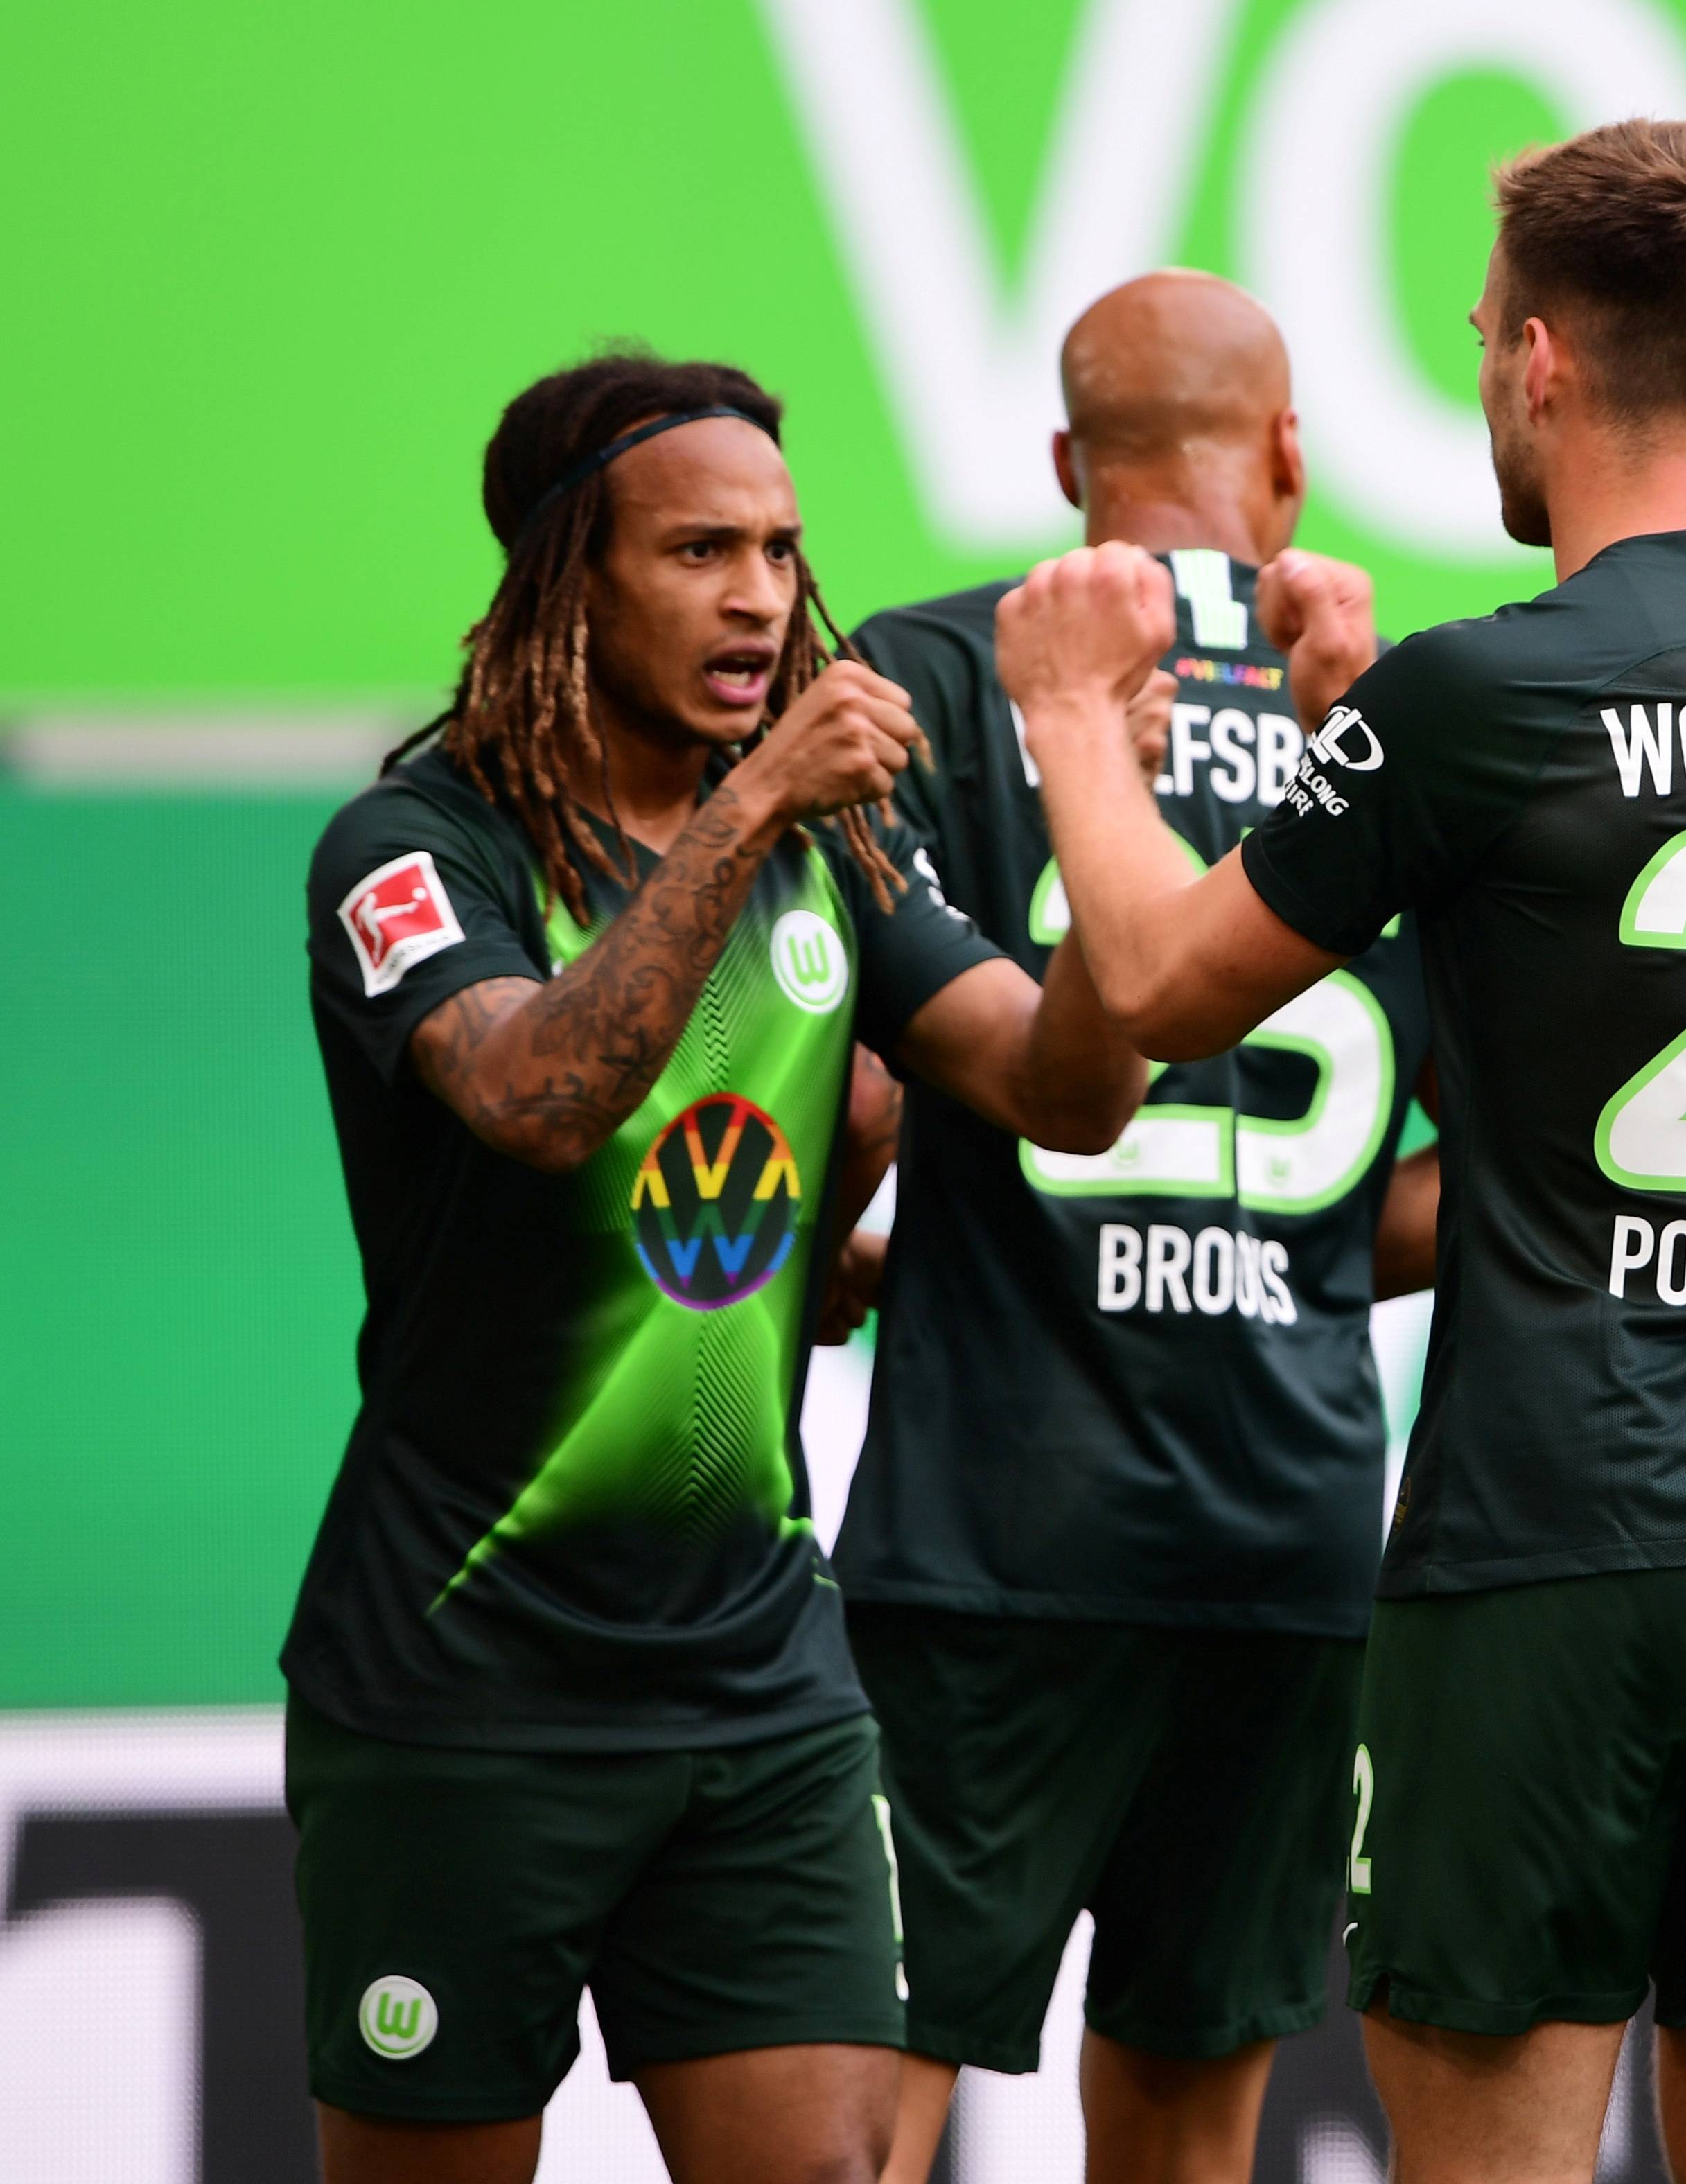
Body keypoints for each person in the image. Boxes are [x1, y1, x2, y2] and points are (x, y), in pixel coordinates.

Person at [995, 117, 1686, 2184]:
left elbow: (1161, 984)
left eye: (1475, 339)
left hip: (1565, 1538)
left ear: (1537, 361)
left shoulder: (1482, 693)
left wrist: (1078, 718)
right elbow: (1574, 1030)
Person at [288, 353, 1143, 2184]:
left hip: (759, 1679)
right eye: (698, 551)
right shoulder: (417, 847)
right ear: (564, 580)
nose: (760, 596)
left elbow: (1069, 1094)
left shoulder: (841, 851)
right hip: (463, 1684)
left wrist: (1095, 811)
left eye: (779, 550)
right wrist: (750, 813)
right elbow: (539, 1096)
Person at [828, 272, 1434, 2184]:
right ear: (1287, 458)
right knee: (1185, 2131)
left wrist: (849, 1251)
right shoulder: (1394, 721)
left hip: (991, 1528)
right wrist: (1306, 1255)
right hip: (1289, 1532)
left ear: (1066, 464)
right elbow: (1517, 1165)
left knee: (866, 2107)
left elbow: (843, 1071)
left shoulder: (936, 675)